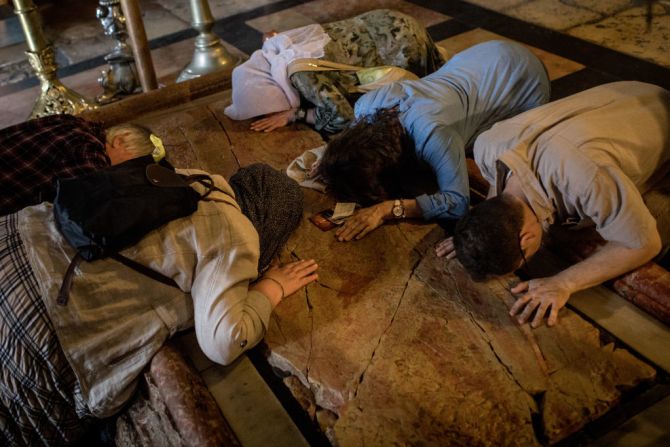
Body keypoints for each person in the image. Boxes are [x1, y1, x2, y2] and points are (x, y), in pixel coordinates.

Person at [0, 124, 319, 445]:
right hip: (36, 324)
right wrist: (270, 288)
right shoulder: (237, 234)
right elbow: (224, 343)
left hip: (14, 240)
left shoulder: (186, 175)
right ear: (271, 224)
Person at [440, 81, 670, 328]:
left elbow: (644, 243)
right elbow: (495, 203)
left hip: (658, 108)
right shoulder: (488, 145)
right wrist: (474, 240)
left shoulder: (586, 179)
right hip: (625, 95)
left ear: (526, 239)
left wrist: (563, 283)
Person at [316, 40, 551, 242]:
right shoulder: (365, 106)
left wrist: (389, 209)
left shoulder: (433, 134)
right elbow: (350, 151)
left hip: (522, 78)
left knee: (457, 159)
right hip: (486, 54)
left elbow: (458, 202)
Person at [224, 9, 445, 134]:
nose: (269, 113)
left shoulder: (299, 75)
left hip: (398, 44)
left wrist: (296, 114)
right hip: (387, 19)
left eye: (265, 109)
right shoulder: (276, 48)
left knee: (435, 93)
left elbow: (345, 118)